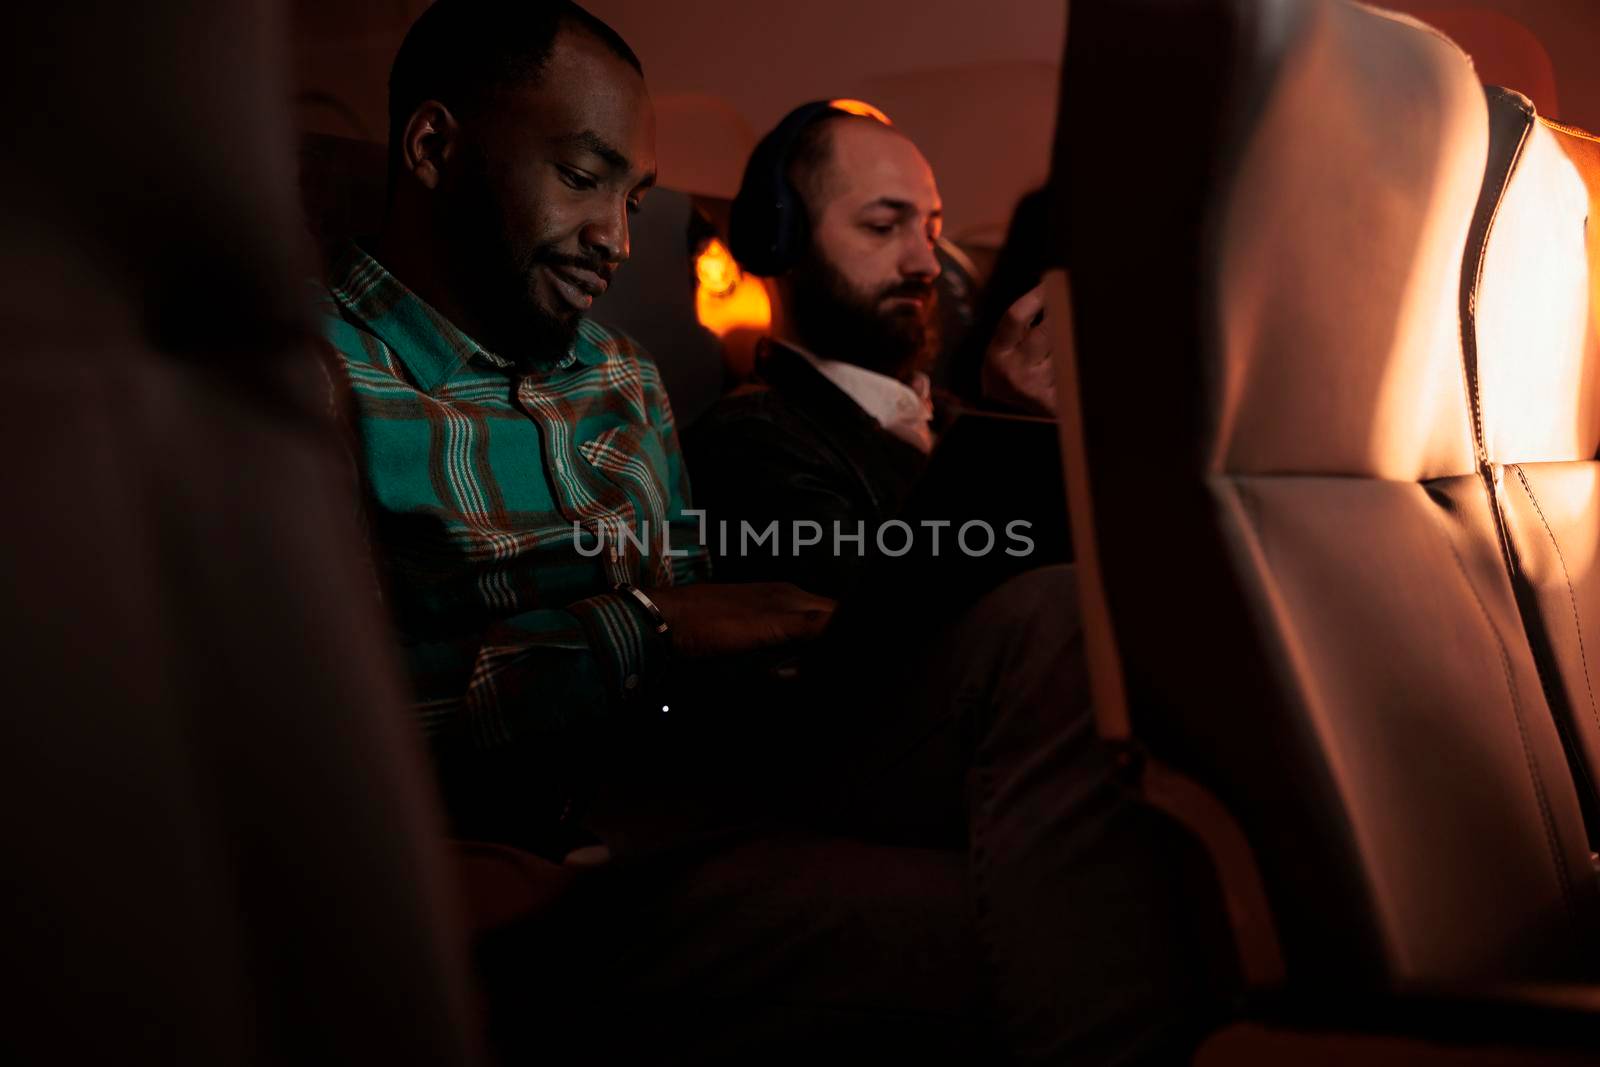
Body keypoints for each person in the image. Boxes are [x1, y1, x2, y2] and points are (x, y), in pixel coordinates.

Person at [320, 3, 1233, 1062]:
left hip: (697, 786)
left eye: (636, 198)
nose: (616, 240)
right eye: (582, 178)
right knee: (1040, 921)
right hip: (514, 859)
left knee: (1064, 633)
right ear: (433, 147)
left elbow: (716, 641)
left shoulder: (622, 377)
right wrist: (642, 629)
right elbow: (312, 729)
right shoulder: (309, 382)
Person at [683, 106, 1061, 598]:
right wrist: (1003, 435)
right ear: (782, 239)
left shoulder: (944, 415)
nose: (927, 262)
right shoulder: (751, 444)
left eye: (931, 231)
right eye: (883, 227)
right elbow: (890, 638)